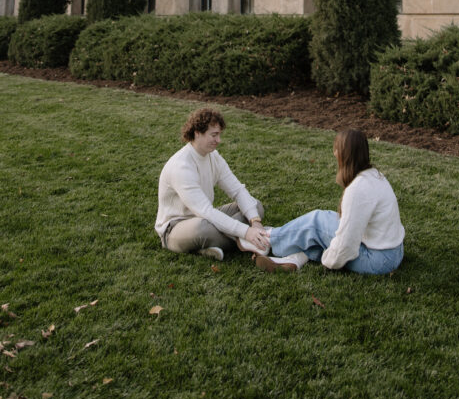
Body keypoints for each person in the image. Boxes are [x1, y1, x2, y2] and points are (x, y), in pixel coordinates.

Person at [239, 129, 404, 274]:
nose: (334, 153)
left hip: (377, 260)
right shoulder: (375, 176)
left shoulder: (358, 189)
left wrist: (328, 260)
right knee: (327, 221)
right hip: (393, 252)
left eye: (336, 149)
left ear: (345, 154)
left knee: (317, 222)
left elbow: (347, 245)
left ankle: (266, 240)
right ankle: (296, 259)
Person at [155, 107, 269, 262]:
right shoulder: (181, 166)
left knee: (255, 206)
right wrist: (246, 232)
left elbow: (237, 190)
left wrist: (255, 222)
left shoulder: (213, 157)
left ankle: (212, 246)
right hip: (175, 229)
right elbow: (206, 211)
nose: (218, 140)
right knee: (206, 229)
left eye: (219, 134)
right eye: (214, 135)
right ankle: (241, 241)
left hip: (205, 217)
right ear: (197, 133)